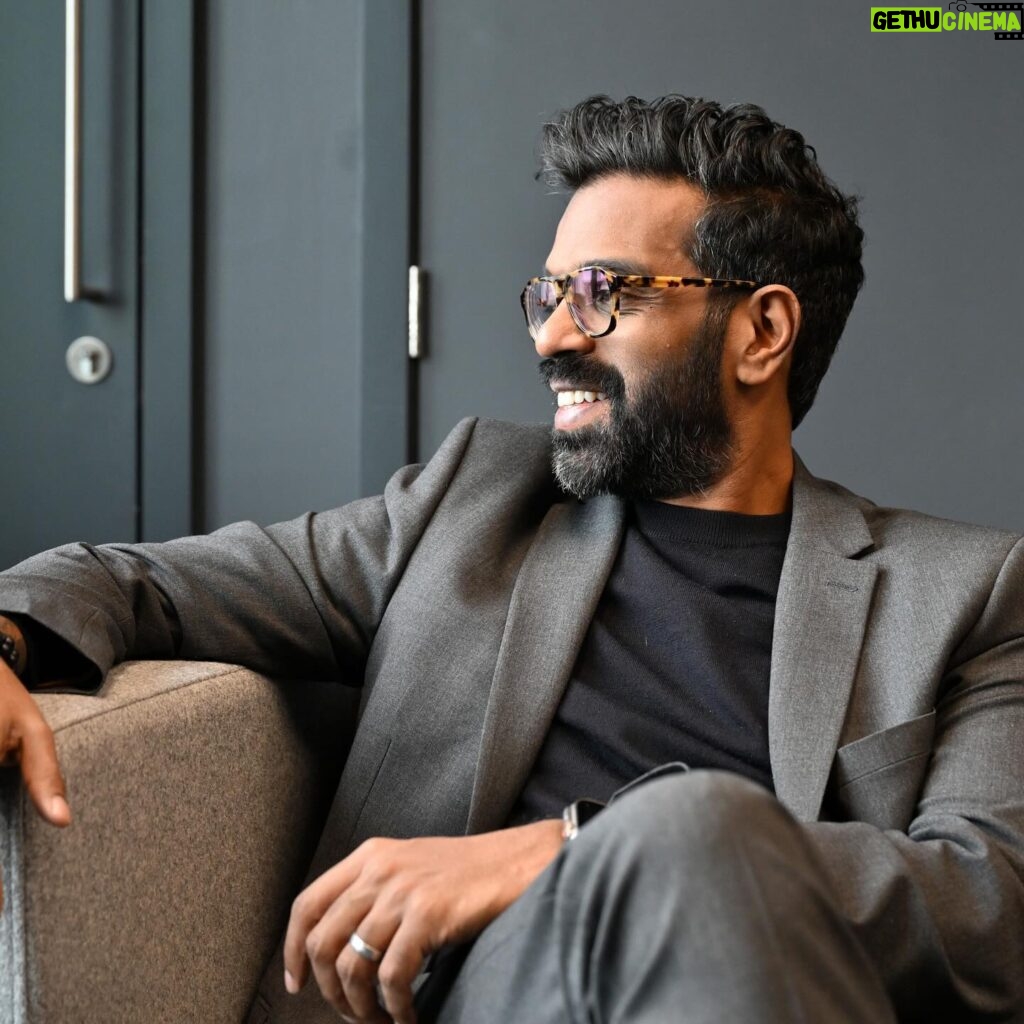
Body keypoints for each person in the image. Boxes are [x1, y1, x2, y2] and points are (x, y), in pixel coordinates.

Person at [1, 94, 1023, 1024]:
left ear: (760, 332)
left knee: (699, 831)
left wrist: (574, 844)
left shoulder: (965, 595)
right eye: (546, 294)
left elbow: (987, 904)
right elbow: (147, 581)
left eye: (601, 291)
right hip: (482, 998)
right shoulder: (471, 504)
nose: (554, 337)